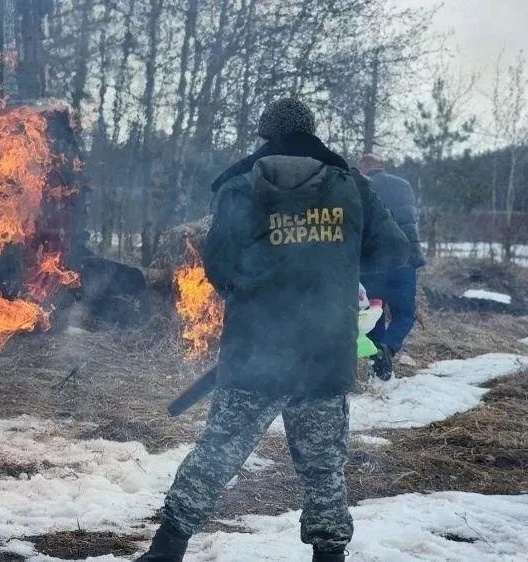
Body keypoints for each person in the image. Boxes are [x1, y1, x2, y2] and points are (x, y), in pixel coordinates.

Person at [136, 99, 410, 562]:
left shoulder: (240, 186)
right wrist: (336, 265)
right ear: (311, 133)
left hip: (254, 351)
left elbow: (219, 264)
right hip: (324, 351)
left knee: (217, 453)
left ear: (265, 137)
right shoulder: (351, 186)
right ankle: (329, 556)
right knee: (323, 468)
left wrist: (256, 298)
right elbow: (395, 251)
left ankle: (166, 549)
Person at [357, 153, 425, 380]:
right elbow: (411, 221)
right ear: (382, 166)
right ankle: (388, 350)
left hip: (374, 261)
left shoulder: (361, 185)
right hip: (405, 258)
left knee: (374, 312)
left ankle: (379, 364)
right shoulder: (404, 185)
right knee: (405, 313)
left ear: (364, 168)